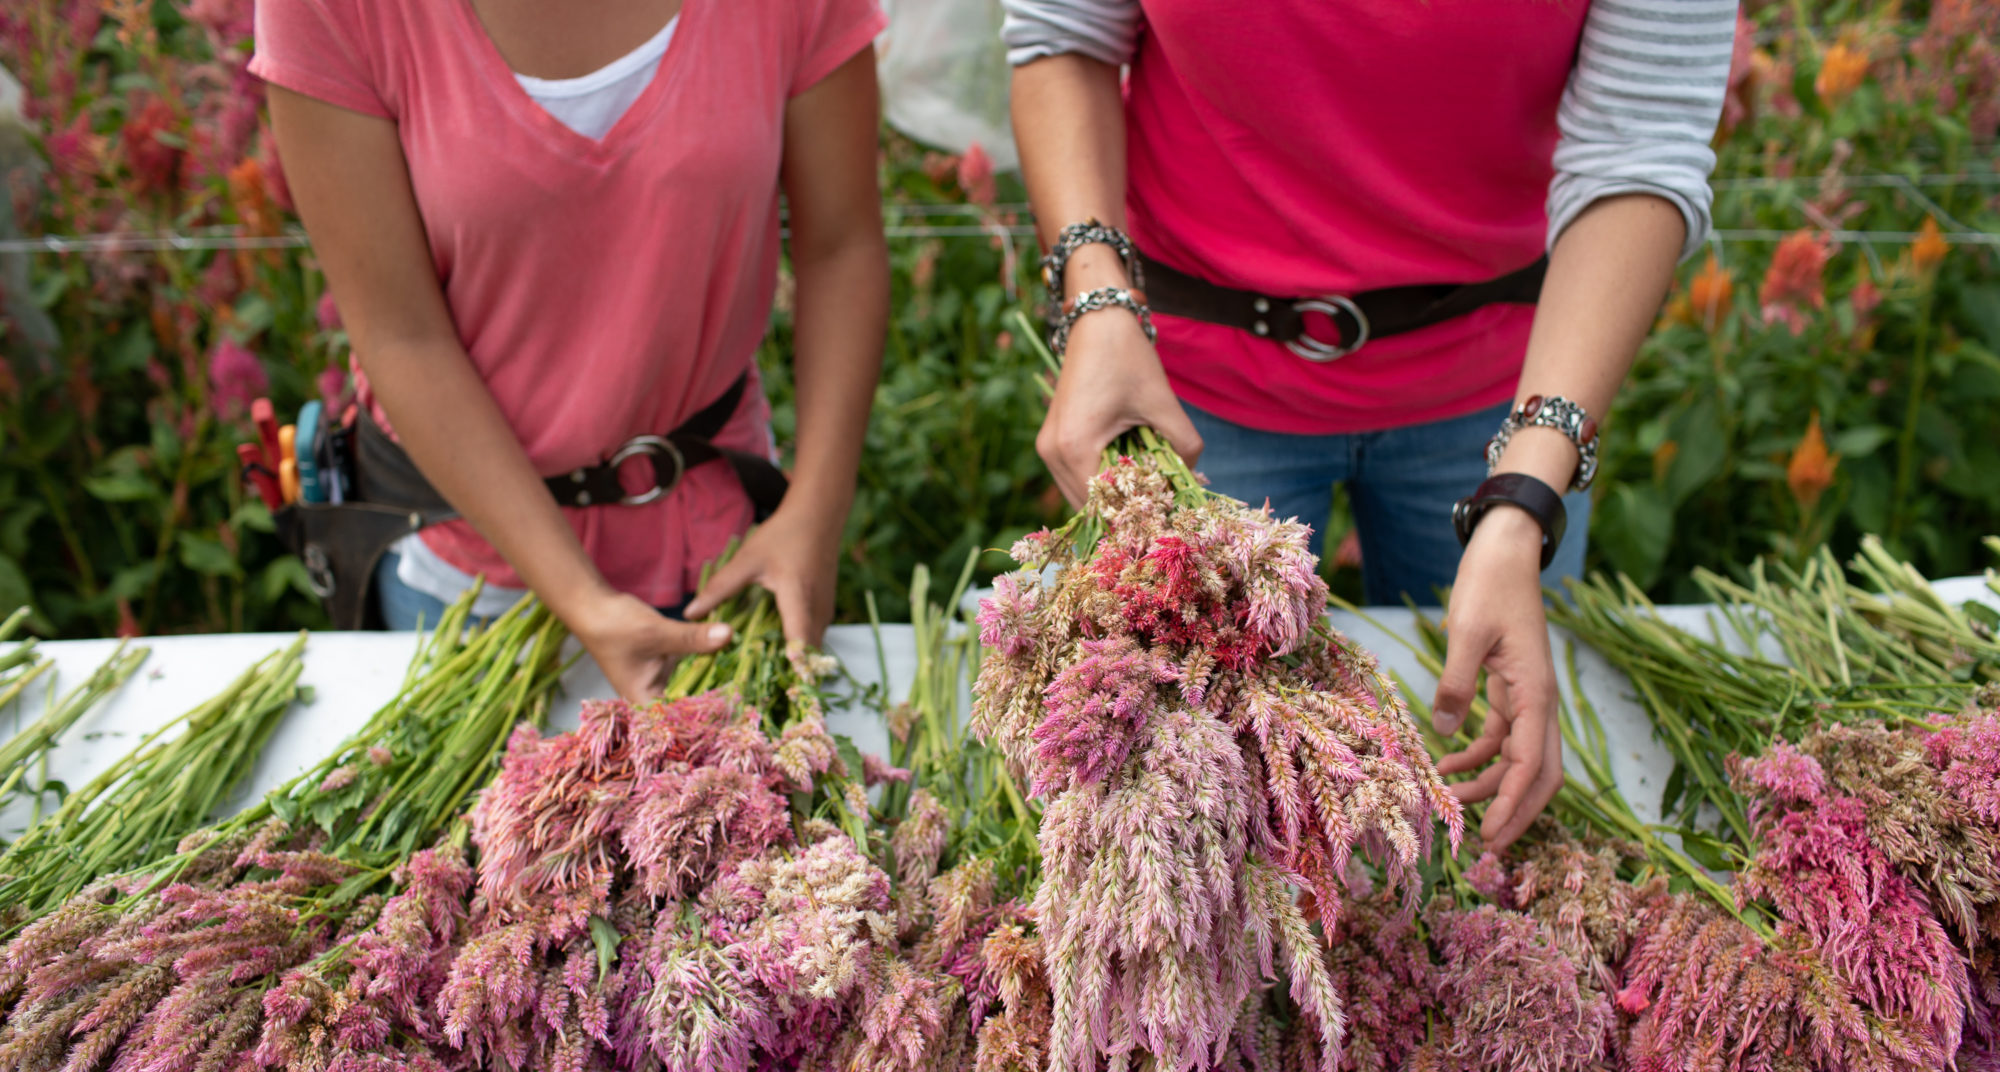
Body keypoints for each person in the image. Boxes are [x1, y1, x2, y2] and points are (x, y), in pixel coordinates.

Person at [1002, 0, 1734, 847]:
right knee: (1187, 806)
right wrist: (1097, 301)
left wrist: (1525, 491)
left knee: (1492, 804)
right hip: (1190, 383)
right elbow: (1065, 37)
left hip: (1502, 387)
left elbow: (1639, 149)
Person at [253, 0, 889, 701]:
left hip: (721, 557)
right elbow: (401, 334)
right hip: (470, 579)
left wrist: (814, 512)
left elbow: (842, 247)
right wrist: (581, 600)